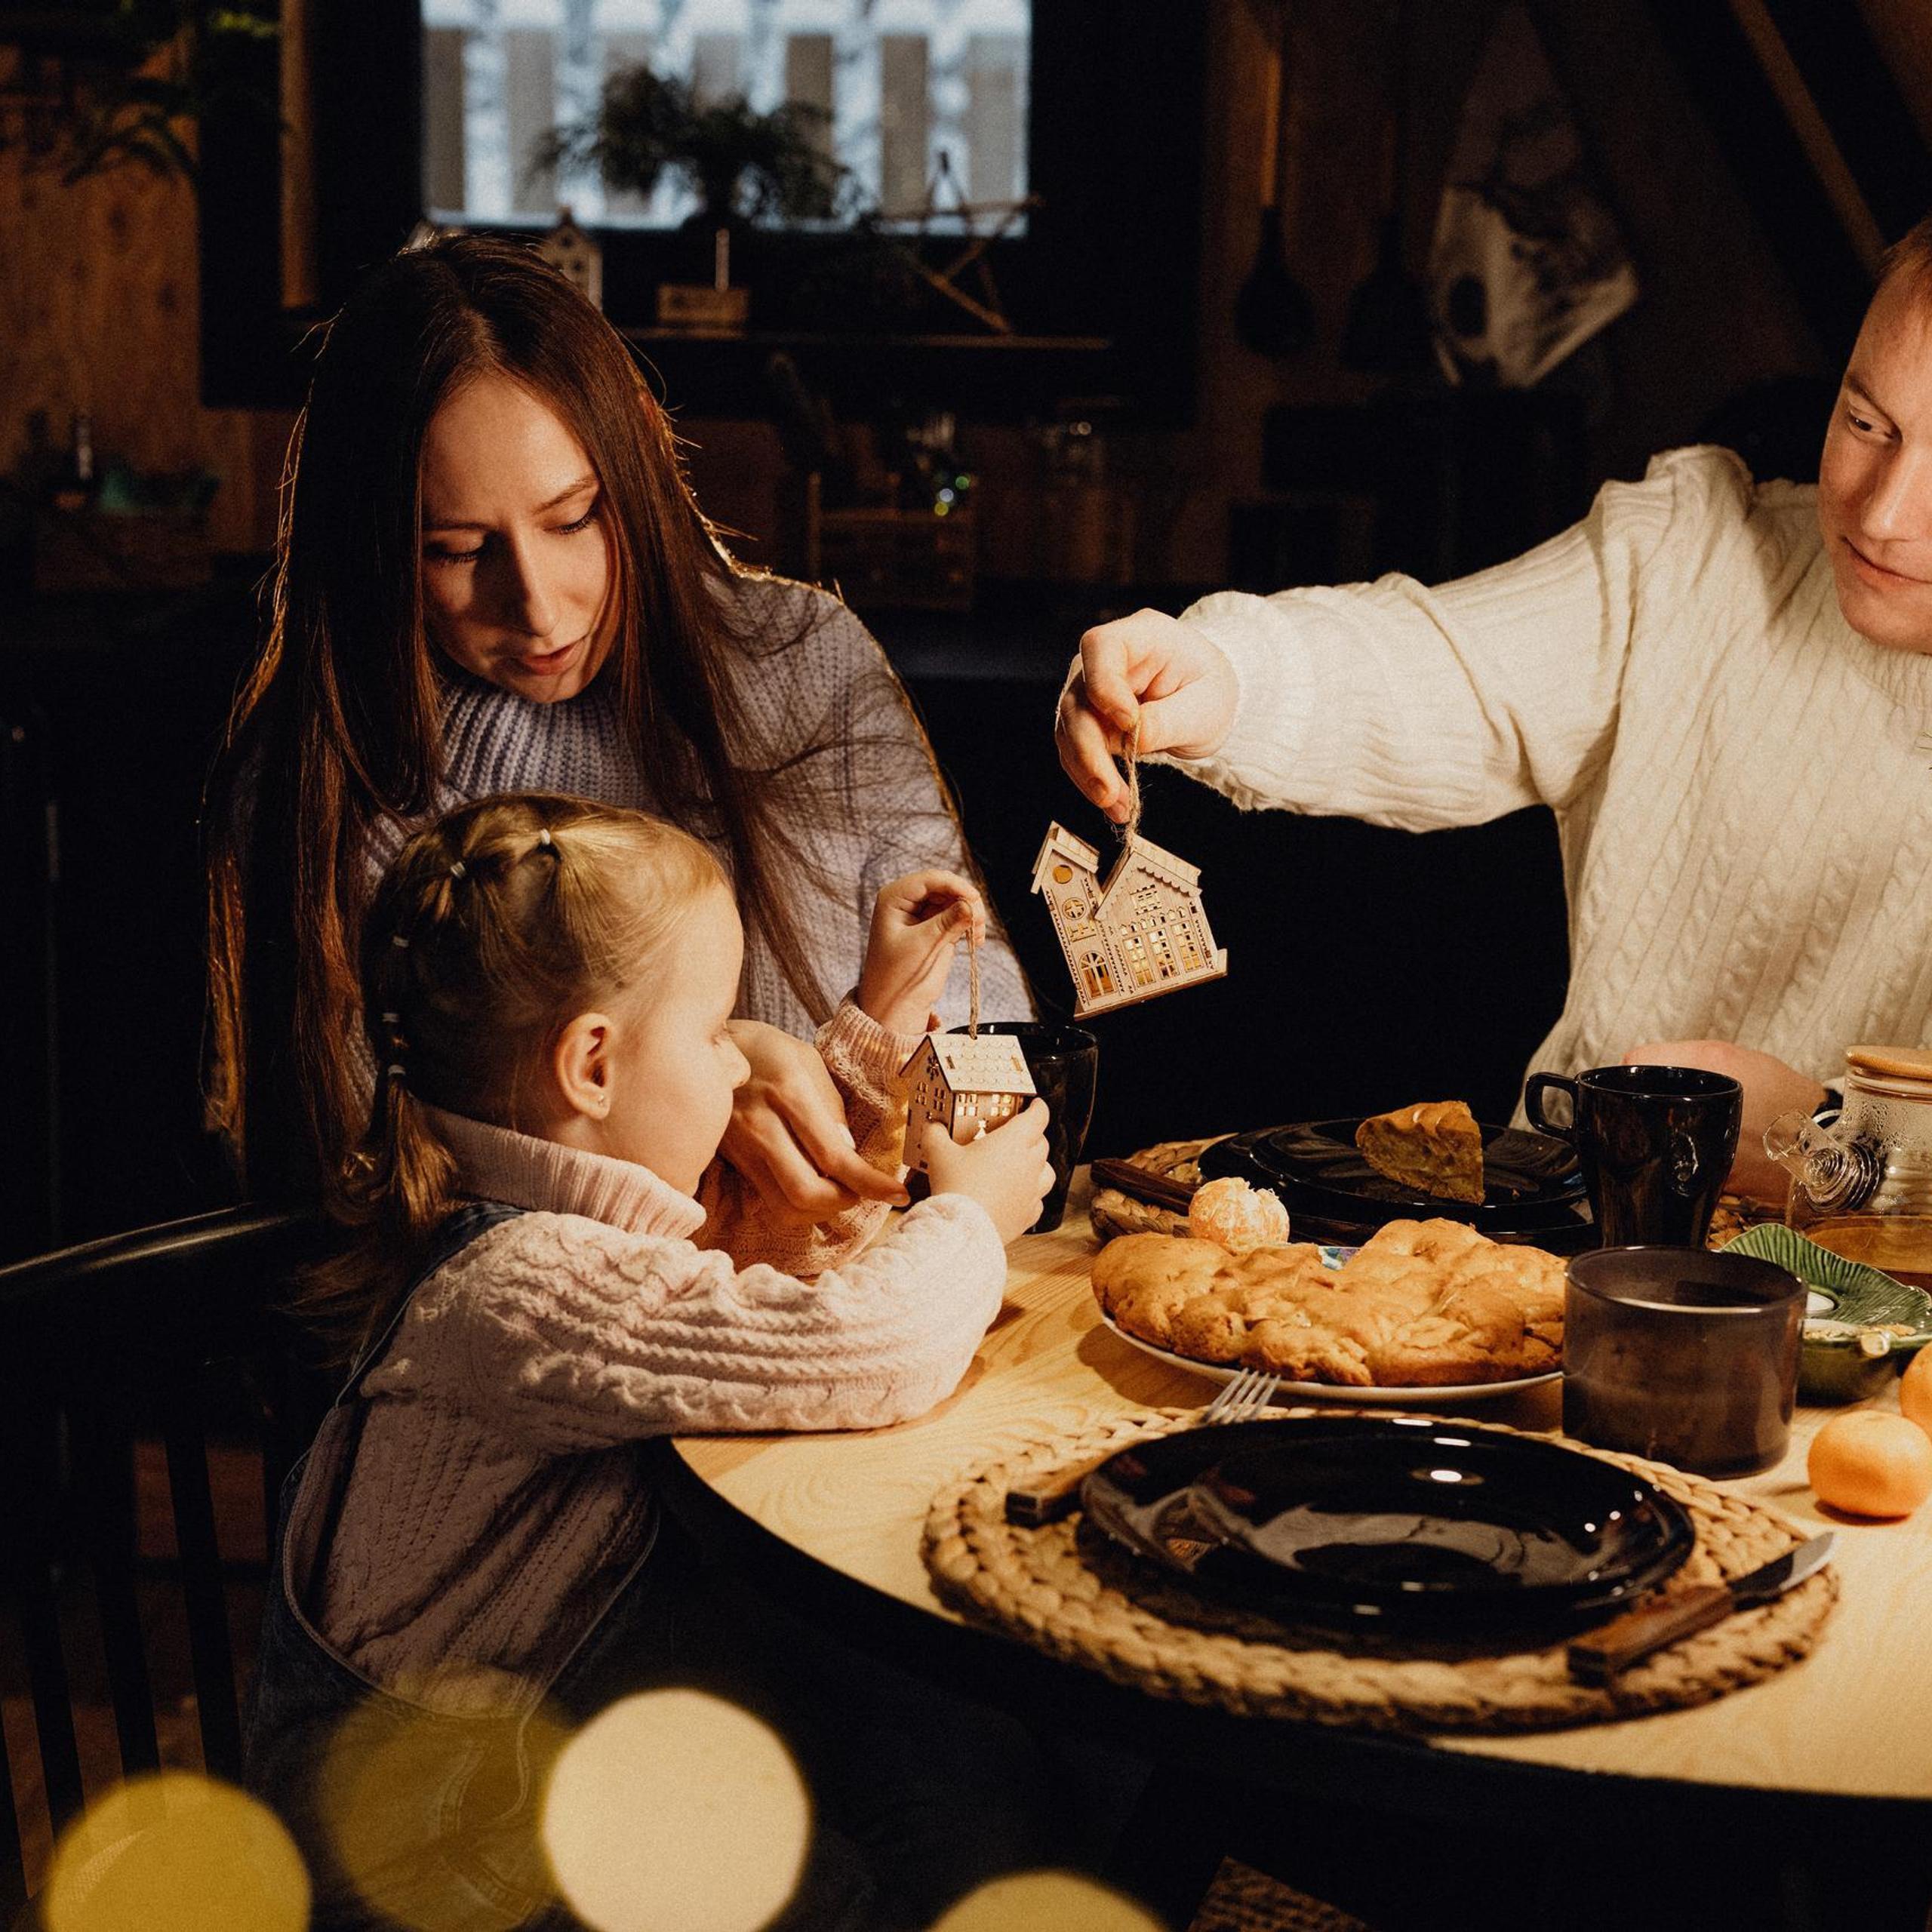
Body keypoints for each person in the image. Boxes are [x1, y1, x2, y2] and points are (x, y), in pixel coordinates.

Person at [244, 792, 1056, 1930]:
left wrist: (878, 1020)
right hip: (449, 1844)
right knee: (859, 1870)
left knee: (950, 1762)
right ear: (590, 1065)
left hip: (564, 1739)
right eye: (718, 1029)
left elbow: (762, 1274)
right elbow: (855, 1343)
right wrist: (972, 1216)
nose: (740, 1073)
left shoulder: (579, 1221)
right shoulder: (522, 1287)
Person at [1057, 217, 1932, 1204]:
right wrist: (1228, 673)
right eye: (1868, 424)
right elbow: (1443, 667)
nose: (1884, 512)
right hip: (1552, 1261)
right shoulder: (1701, 559)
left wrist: (1826, 1144)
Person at [205, 232, 1030, 1219]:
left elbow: (985, 1010)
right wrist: (713, 1108)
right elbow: (365, 1189)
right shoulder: (327, 775)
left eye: (574, 518)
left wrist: (971, 1180)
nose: (541, 610)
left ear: (638, 453)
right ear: (374, 548)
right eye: (458, 550)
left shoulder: (802, 659)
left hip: (874, 1290)